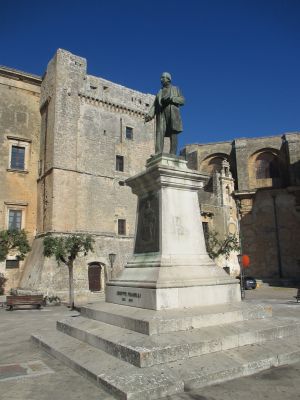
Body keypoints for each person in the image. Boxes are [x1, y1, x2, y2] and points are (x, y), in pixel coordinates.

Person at [145, 72, 184, 155]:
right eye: (161, 78)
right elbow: (155, 105)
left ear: (168, 79)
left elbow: (182, 100)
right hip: (161, 113)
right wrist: (150, 115)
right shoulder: (160, 92)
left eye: (163, 78)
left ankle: (173, 153)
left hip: (172, 113)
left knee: (173, 133)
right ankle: (158, 152)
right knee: (160, 132)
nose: (161, 79)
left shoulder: (175, 89)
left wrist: (172, 99)